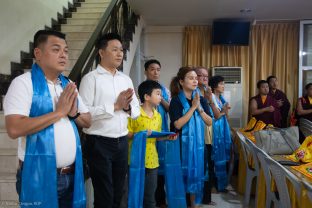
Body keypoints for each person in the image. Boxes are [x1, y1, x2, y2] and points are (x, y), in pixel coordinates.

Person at [4, 30, 91, 208]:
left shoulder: (67, 85)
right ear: (38, 53)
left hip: (72, 175)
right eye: (56, 49)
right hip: (38, 174)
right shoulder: (23, 83)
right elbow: (14, 128)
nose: (63, 55)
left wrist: (73, 114)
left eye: (66, 51)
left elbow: (88, 121)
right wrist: (59, 113)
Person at [79, 33, 140, 208]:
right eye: (114, 50)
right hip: (99, 143)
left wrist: (127, 107)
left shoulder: (125, 79)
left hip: (121, 142)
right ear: (101, 52)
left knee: (118, 192)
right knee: (103, 194)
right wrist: (115, 106)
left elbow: (135, 111)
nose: (120, 54)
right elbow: (85, 112)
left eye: (121, 50)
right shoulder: (91, 79)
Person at [127, 80, 176, 208]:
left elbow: (156, 137)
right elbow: (127, 134)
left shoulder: (158, 116)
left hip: (152, 162)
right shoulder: (134, 114)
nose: (161, 97)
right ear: (147, 97)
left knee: (150, 197)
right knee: (133, 194)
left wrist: (166, 137)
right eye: (158, 94)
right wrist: (141, 134)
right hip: (135, 161)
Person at [169, 67, 212, 207]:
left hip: (198, 146)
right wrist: (192, 108)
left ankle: (193, 204)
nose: (195, 81)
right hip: (180, 145)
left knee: (196, 174)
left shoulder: (201, 99)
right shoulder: (176, 101)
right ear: (181, 81)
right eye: (190, 78)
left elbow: (209, 121)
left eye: (195, 78)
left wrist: (199, 107)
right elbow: (178, 125)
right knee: (181, 176)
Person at [143, 59, 170, 208]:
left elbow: (169, 108)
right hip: (146, 130)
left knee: (161, 166)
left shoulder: (164, 90)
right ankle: (147, 200)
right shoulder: (141, 88)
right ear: (146, 71)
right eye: (152, 69)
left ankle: (160, 200)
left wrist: (160, 97)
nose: (156, 72)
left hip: (160, 129)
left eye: (158, 69)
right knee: (147, 167)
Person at [194, 67, 217, 206]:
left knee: (208, 165)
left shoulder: (207, 94)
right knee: (201, 167)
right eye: (200, 75)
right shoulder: (194, 94)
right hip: (198, 136)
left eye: (206, 76)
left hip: (208, 135)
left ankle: (206, 198)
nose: (204, 78)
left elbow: (214, 115)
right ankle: (199, 198)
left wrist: (209, 99)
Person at [208, 75, 232, 192]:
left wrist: (225, 111)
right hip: (215, 130)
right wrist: (223, 111)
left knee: (222, 157)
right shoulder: (211, 97)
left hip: (222, 129)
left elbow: (225, 115)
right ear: (214, 85)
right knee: (214, 157)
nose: (223, 86)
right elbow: (216, 115)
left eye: (223, 83)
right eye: (221, 83)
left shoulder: (221, 98)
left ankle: (220, 185)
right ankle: (213, 185)